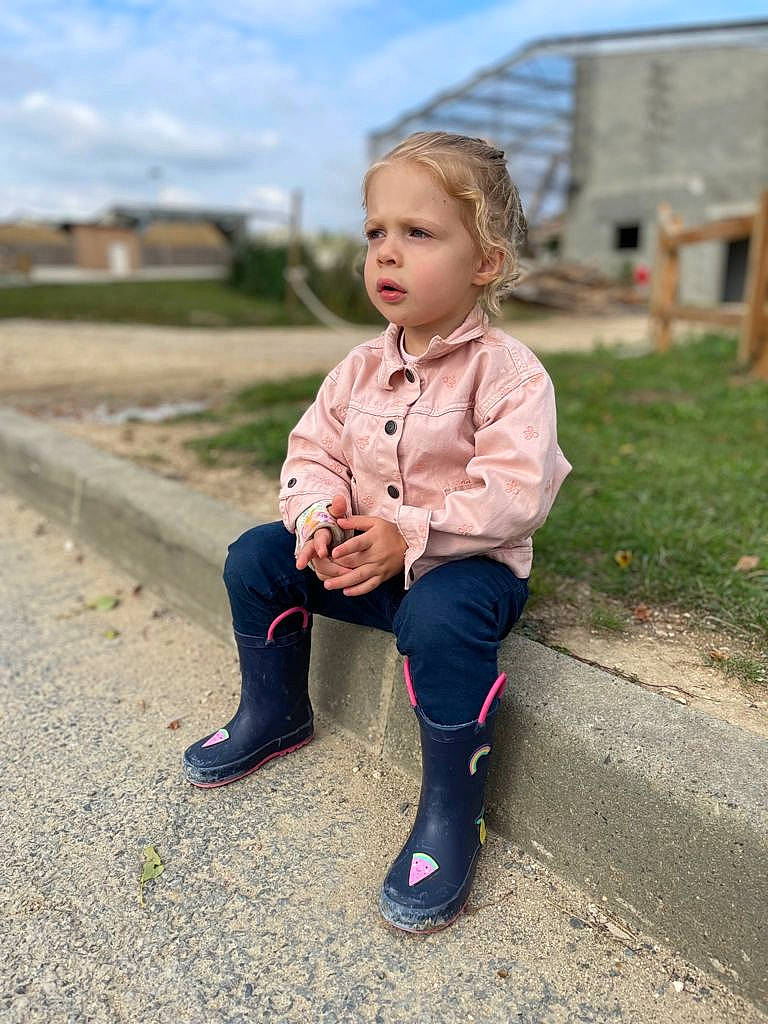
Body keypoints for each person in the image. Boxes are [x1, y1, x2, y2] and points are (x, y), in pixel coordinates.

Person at [183, 131, 572, 933]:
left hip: (466, 574)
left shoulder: (509, 374)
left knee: (435, 619)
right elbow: (311, 452)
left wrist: (411, 531)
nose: (387, 255)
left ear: (486, 261)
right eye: (375, 235)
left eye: (418, 234)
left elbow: (516, 492)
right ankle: (275, 710)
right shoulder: (355, 369)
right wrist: (319, 519)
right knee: (257, 557)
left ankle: (450, 812)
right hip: (366, 567)